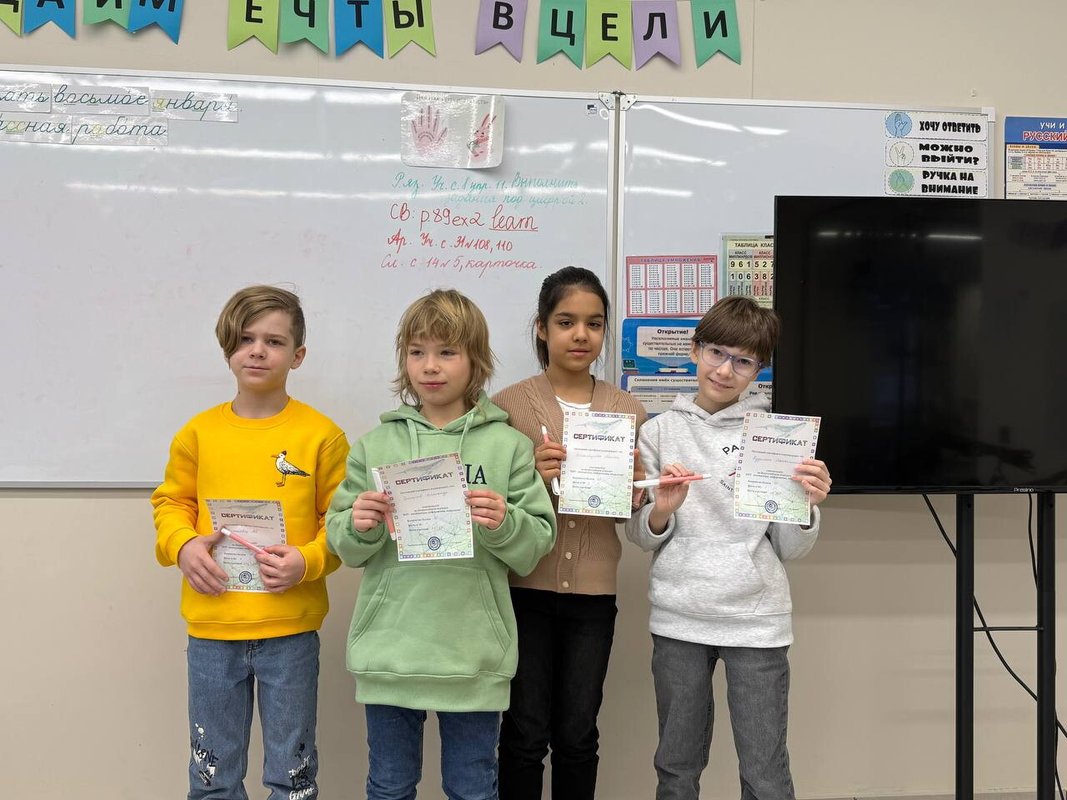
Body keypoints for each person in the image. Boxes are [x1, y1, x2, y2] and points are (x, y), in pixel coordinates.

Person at [326, 288, 556, 800]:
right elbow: (344, 545)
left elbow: (535, 543)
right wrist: (359, 523)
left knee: (472, 788)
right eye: (417, 352)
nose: (430, 366)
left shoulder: (509, 446)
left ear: (476, 360)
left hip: (473, 656)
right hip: (390, 653)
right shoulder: (374, 447)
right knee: (389, 786)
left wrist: (504, 522)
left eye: (447, 351)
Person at [624, 296, 832, 800]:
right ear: (695, 350)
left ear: (759, 370)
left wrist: (806, 506)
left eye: (743, 361)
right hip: (679, 618)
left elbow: (789, 549)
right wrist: (661, 510)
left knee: (765, 772)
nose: (724, 370)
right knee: (676, 767)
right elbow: (638, 535)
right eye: (716, 352)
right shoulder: (657, 433)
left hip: (756, 621)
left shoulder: (778, 437)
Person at [151, 284, 349, 800]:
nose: (257, 351)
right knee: (212, 776)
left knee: (292, 777)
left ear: (298, 355)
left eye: (274, 341)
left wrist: (307, 561)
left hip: (291, 631)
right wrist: (184, 546)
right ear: (228, 349)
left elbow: (341, 521)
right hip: (213, 627)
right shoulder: (198, 434)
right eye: (245, 339)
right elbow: (172, 503)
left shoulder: (321, 435)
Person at [493, 266, 648, 800]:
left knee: (578, 734)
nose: (581, 335)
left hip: (593, 598)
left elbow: (629, 516)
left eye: (594, 323)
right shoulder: (507, 407)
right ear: (541, 328)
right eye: (565, 322)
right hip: (523, 591)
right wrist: (529, 477)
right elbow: (490, 503)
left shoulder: (628, 410)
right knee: (523, 733)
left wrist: (635, 493)